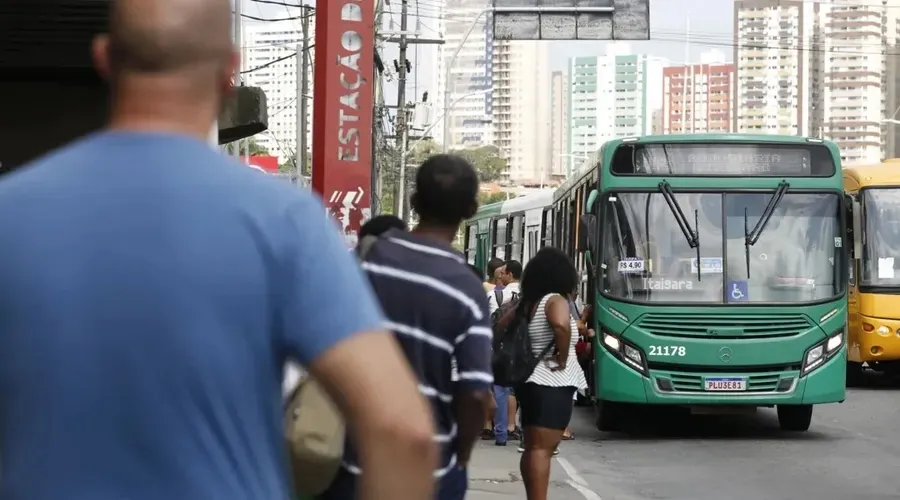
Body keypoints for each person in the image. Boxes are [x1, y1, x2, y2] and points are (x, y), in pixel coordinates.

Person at [0, 1, 438, 498]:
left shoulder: (10, 211)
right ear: (230, 71)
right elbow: (404, 431)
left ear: (104, 59)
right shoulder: (283, 222)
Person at [321, 154, 493, 500]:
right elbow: (475, 393)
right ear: (471, 209)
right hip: (429, 471)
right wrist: (461, 454)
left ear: (414, 202)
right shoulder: (468, 289)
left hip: (353, 461)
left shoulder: (368, 259)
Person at [515, 248, 588, 500]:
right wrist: (563, 353)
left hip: (529, 381)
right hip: (552, 381)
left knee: (533, 447)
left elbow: (500, 326)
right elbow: (560, 324)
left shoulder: (528, 303)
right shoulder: (555, 300)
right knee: (542, 449)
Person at [489, 260, 523, 446]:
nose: (500, 276)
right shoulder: (532, 297)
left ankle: (500, 434)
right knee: (524, 392)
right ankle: (523, 432)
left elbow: (490, 323)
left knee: (501, 391)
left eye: (503, 273)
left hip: (502, 350)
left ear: (510, 275)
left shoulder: (495, 295)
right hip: (524, 351)